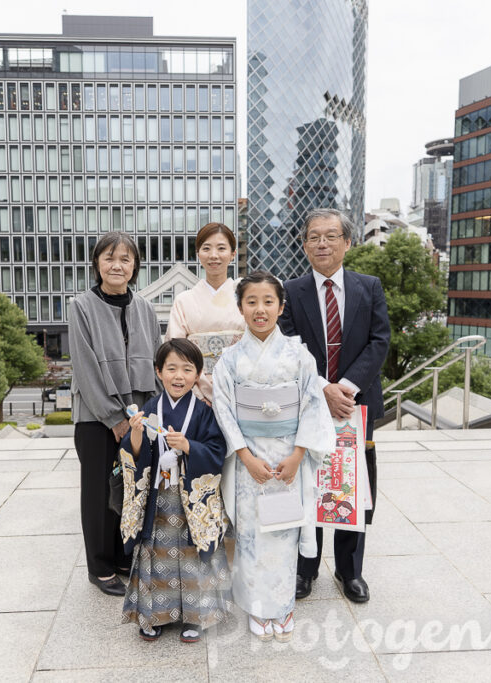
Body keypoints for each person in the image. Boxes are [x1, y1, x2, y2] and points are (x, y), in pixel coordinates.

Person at [212, 271, 334, 642]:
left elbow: (313, 405)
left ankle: (282, 607)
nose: (260, 309)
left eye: (268, 302)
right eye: (251, 302)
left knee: (283, 531)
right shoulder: (230, 359)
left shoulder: (299, 355)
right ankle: (257, 608)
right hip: (251, 459)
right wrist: (245, 457)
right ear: (240, 308)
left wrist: (299, 454)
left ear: (281, 307)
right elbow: (224, 409)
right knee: (250, 534)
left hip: (286, 458)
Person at [278, 207, 391, 605]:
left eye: (330, 236)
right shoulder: (290, 292)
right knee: (308, 485)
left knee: (352, 484)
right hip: (308, 402)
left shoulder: (369, 286)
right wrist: (323, 388)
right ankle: (304, 569)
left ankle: (350, 571)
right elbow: (289, 347)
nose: (322, 243)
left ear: (347, 241)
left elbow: (380, 341)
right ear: (304, 244)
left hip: (355, 406)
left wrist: (344, 387)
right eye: (313, 237)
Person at [119, 339, 232, 643]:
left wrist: (190, 447)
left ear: (198, 375)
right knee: (156, 556)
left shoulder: (203, 412)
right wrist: (138, 435)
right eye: (171, 368)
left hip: (190, 502)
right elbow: (132, 453)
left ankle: (196, 616)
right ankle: (152, 614)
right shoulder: (149, 408)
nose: (178, 376)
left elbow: (216, 450)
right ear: (158, 371)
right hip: (157, 499)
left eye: (187, 369)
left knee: (192, 556)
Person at [69, 232, 161, 597]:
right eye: (109, 258)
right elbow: (85, 367)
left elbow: (156, 361)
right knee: (97, 492)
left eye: (125, 258)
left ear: (135, 265)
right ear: (97, 263)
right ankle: (100, 566)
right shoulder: (80, 306)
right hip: (94, 417)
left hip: (138, 416)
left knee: (130, 488)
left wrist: (147, 415)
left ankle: (124, 555)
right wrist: (113, 417)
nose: (117, 265)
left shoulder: (145, 307)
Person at [165, 222, 246, 403]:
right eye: (206, 248)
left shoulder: (246, 297)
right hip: (195, 394)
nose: (214, 255)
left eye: (221, 248)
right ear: (198, 253)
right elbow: (175, 352)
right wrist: (197, 394)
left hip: (241, 390)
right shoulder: (184, 300)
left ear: (233, 254)